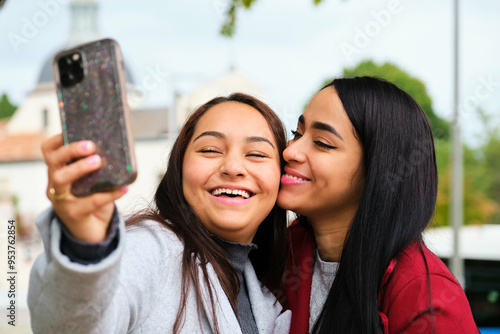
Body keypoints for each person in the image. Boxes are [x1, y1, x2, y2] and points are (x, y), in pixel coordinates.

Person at [28, 93, 291, 333]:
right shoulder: (151, 248)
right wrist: (82, 248)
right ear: (179, 167)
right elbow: (75, 325)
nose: (233, 167)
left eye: (257, 154)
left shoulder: (269, 296)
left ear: (282, 176)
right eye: (210, 150)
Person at [279, 76, 479, 333]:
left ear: (378, 170)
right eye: (297, 133)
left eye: (322, 143)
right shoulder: (286, 251)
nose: (289, 151)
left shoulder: (426, 299)